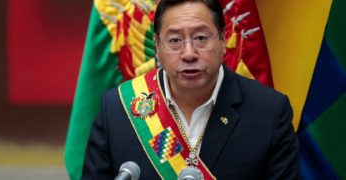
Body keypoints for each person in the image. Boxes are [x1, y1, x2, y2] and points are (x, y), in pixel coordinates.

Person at [82, 0, 299, 179]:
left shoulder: (269, 112)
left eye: (201, 38)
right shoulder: (118, 110)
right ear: (157, 45)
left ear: (223, 40)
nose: (188, 53)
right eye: (175, 40)